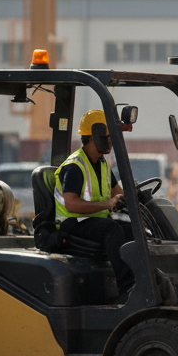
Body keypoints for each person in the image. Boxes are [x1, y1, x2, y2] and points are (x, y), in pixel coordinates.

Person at [54, 109, 135, 298]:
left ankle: (143, 278)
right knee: (112, 230)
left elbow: (119, 193)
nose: (112, 142)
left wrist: (136, 195)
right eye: (109, 137)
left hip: (92, 221)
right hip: (72, 222)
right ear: (95, 137)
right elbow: (71, 205)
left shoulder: (103, 163)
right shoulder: (75, 166)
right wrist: (108, 204)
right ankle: (127, 287)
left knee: (132, 230)